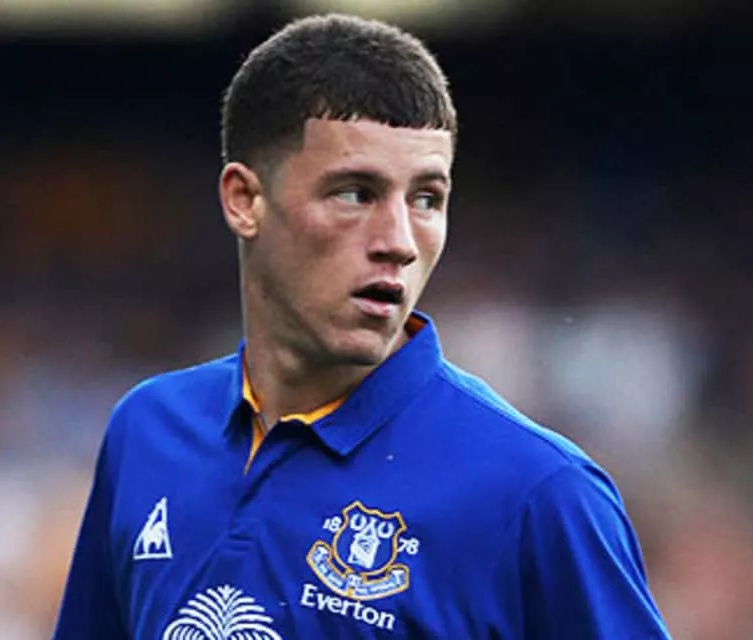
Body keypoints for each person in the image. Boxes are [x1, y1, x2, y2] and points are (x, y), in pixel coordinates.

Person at [53, 13, 670, 639]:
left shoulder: (540, 495)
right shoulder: (147, 431)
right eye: (355, 193)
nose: (398, 240)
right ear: (244, 200)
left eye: (426, 199)